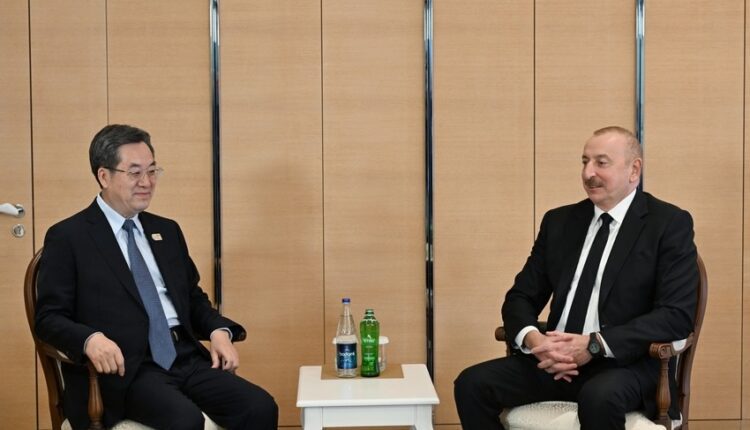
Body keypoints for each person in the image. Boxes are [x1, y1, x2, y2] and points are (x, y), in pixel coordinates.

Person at [453, 126, 699, 430]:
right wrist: (535, 340)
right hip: (555, 362)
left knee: (599, 397)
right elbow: (520, 297)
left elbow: (676, 316)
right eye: (585, 161)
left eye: (601, 162)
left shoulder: (667, 224)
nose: (588, 173)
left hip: (625, 365)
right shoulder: (560, 222)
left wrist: (594, 345)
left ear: (634, 170)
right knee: (472, 384)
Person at [35, 124, 278, 430]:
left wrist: (218, 331)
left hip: (184, 356)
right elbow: (49, 318)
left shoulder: (166, 230)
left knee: (259, 408)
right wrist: (89, 340)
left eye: (152, 171)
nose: (147, 182)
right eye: (135, 173)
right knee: (185, 421)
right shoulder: (69, 237)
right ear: (104, 176)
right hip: (126, 370)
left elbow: (192, 298)